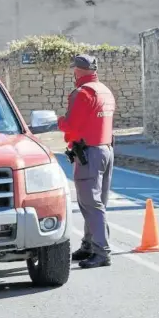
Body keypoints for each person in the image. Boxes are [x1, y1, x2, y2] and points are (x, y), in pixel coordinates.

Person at [57, 54, 116, 269]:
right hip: (106, 149)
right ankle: (89, 245)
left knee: (90, 203)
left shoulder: (82, 93)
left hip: (88, 152)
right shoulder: (105, 91)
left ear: (78, 70)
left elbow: (71, 125)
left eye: (74, 69)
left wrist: (59, 121)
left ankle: (101, 251)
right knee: (97, 201)